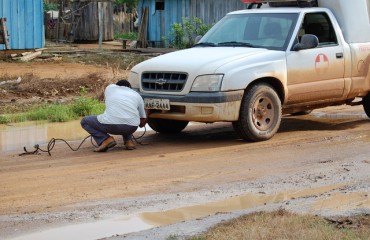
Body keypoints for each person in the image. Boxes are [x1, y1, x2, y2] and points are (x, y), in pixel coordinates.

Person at [81, 80, 147, 152]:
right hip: (132, 127)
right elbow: (142, 121)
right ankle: (129, 142)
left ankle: (105, 139)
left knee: (85, 121)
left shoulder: (110, 88)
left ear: (117, 86)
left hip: (111, 125)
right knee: (127, 117)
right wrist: (146, 115)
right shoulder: (137, 95)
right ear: (130, 88)